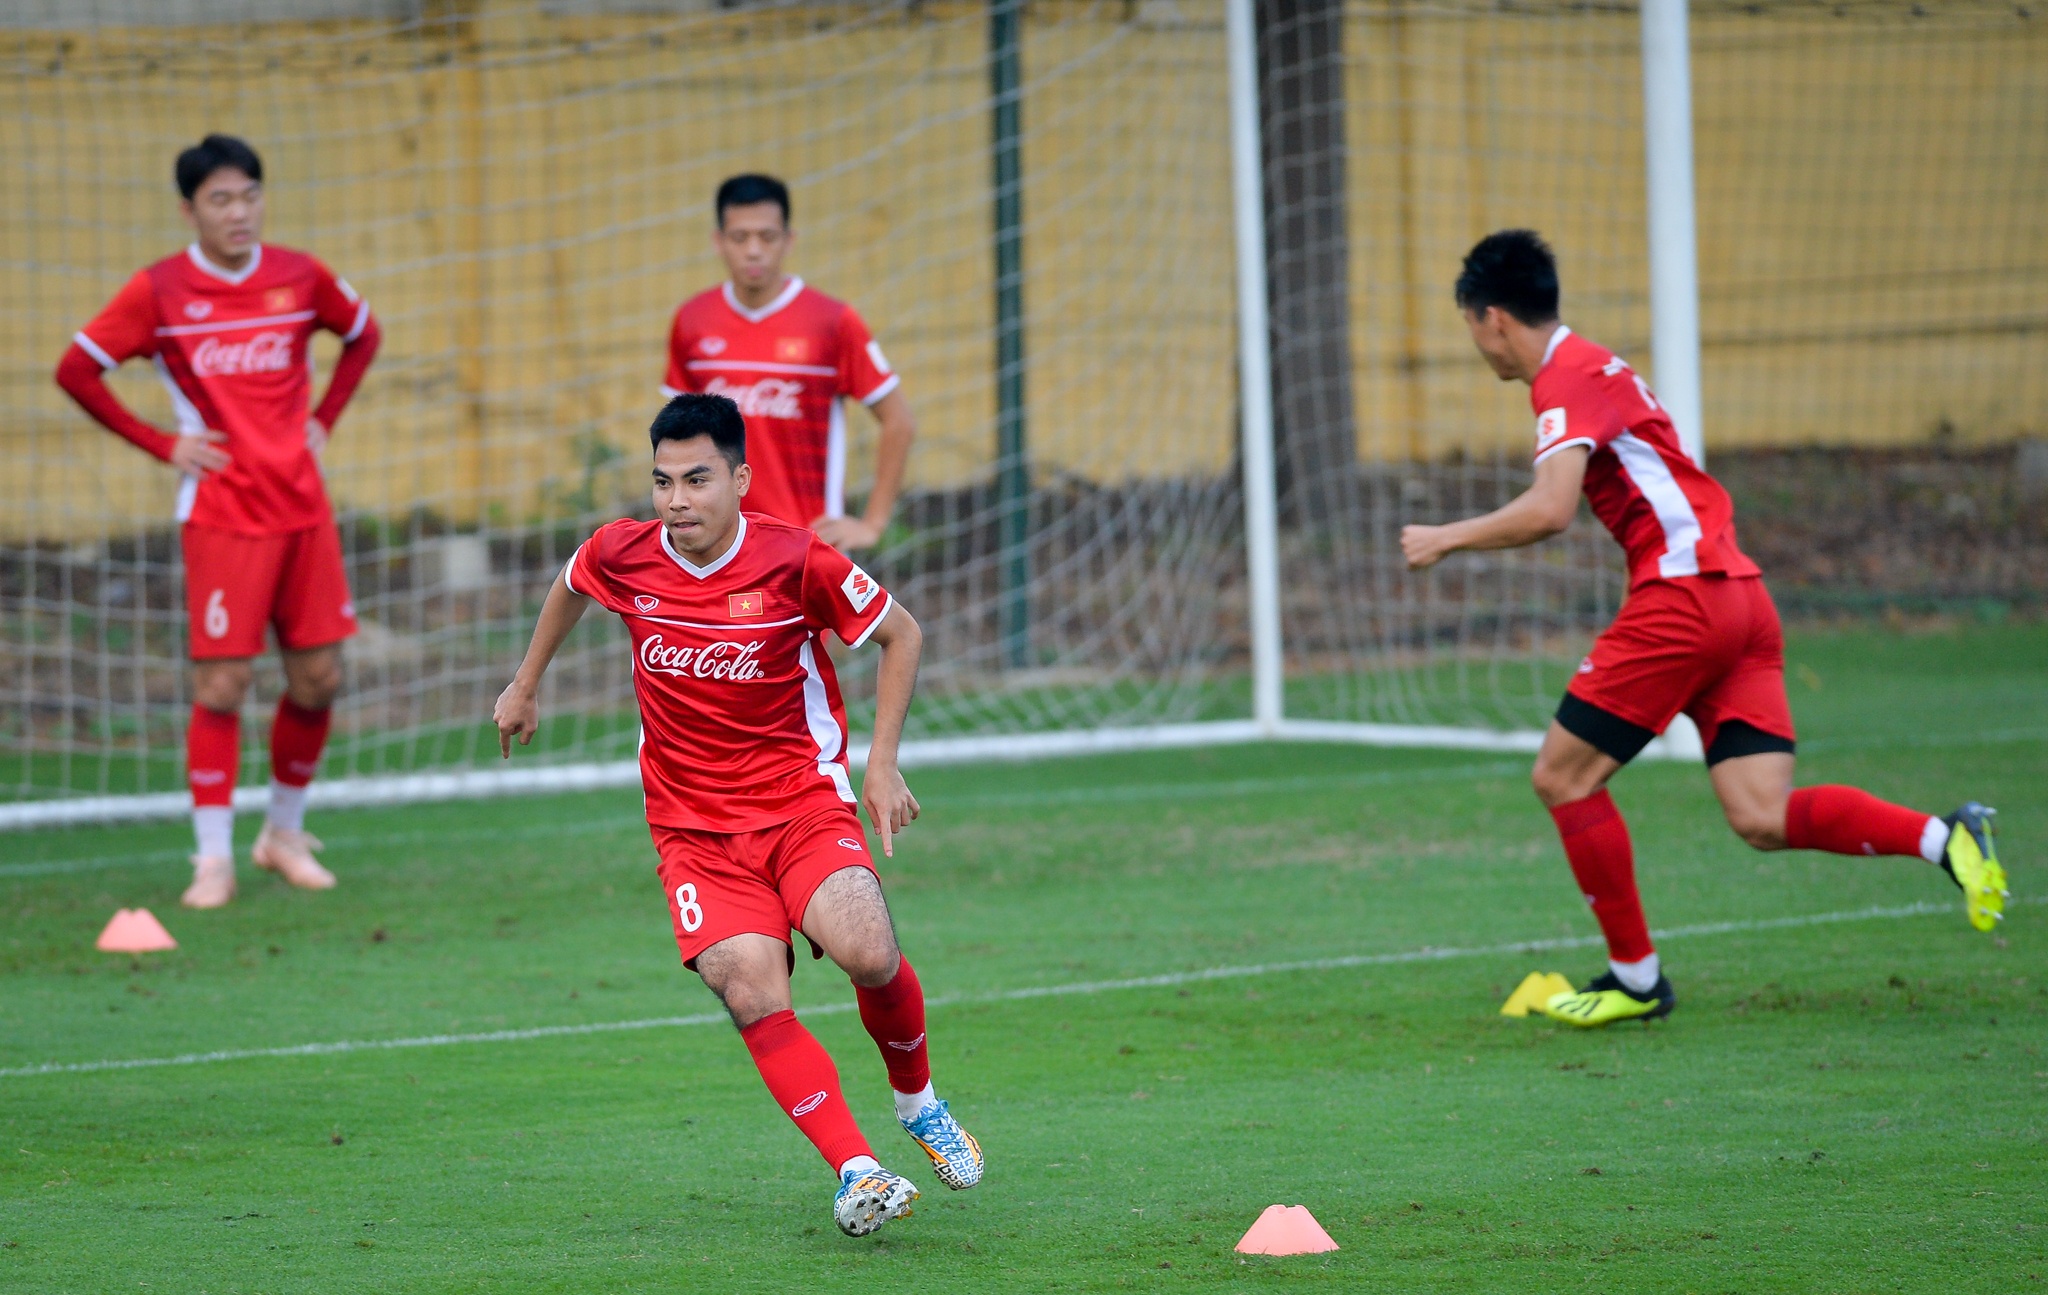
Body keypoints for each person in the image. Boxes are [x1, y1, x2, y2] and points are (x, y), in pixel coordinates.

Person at [1401, 230, 2009, 1028]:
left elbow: (1551, 510)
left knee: (1562, 776)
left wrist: (1447, 535)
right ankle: (1947, 838)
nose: (1479, 348)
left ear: (1492, 319)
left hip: (1683, 604)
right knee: (1761, 813)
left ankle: (1636, 978)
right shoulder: (1600, 365)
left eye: (1472, 331)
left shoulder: (1563, 381)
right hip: (1742, 601)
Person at [492, 394, 980, 1236]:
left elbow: (902, 633)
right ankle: (856, 1169)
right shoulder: (625, 553)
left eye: (696, 479)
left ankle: (920, 1102)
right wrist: (526, 679)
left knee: (869, 949)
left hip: (799, 801)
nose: (676, 500)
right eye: (662, 481)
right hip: (691, 830)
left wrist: (882, 761)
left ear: (740, 479)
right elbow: (572, 581)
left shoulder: (796, 560)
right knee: (752, 988)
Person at [54, 134, 381, 909]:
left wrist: (325, 417)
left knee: (320, 677)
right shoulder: (160, 291)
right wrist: (163, 443)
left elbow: (363, 333)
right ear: (189, 210)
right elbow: (77, 370)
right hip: (223, 515)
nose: (239, 212)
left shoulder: (300, 276)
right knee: (224, 684)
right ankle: (212, 858)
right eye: (220, 200)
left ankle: (283, 832)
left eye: (250, 195)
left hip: (303, 507)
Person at [661, 174, 915, 550]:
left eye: (767, 237)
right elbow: (677, 440)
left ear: (788, 240)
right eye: (739, 237)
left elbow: (899, 421)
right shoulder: (693, 321)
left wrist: (872, 523)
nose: (753, 250)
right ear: (719, 242)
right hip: (717, 546)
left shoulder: (832, 322)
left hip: (805, 546)